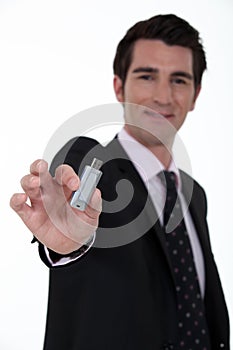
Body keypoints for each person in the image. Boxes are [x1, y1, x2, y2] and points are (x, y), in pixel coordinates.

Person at [10, 14, 230, 350]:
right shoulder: (91, 162)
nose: (163, 96)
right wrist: (71, 244)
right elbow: (74, 208)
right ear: (118, 86)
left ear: (195, 95)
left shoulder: (193, 195)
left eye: (179, 80)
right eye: (147, 76)